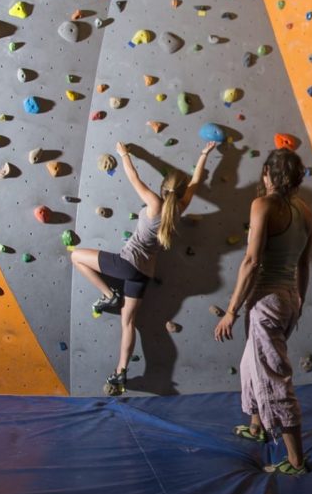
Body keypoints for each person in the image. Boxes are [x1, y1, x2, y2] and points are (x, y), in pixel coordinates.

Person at [72, 140, 216, 394]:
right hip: (143, 274)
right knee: (129, 323)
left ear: (162, 189)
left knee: (76, 256)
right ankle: (120, 372)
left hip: (127, 263)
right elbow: (195, 183)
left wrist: (124, 154)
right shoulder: (179, 209)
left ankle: (108, 294)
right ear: (180, 193)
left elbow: (133, 177)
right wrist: (204, 154)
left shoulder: (155, 204)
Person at [214, 148, 312, 475]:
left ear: (268, 174)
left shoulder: (263, 205)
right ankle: (257, 427)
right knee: (251, 364)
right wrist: (298, 302)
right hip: (286, 299)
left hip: (266, 302)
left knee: (273, 378)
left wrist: (231, 310)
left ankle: (297, 461)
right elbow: (303, 264)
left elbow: (252, 262)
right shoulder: (306, 212)